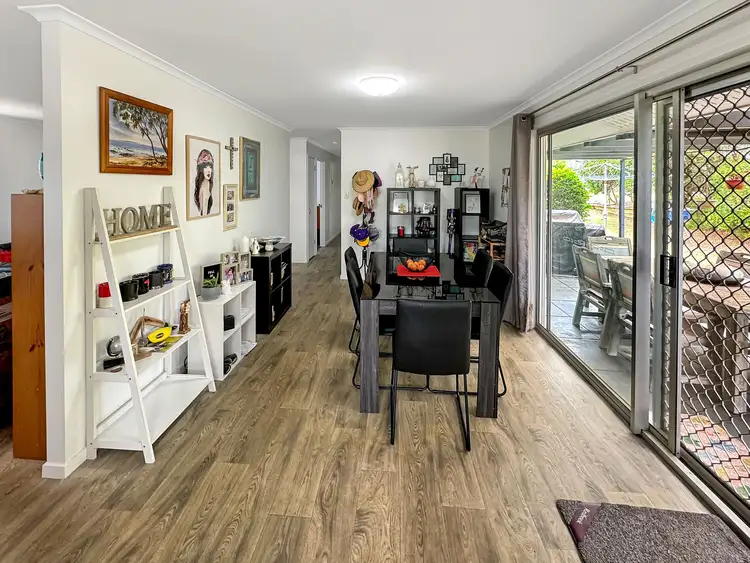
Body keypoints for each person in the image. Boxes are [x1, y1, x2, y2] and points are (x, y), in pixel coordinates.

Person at [193, 149, 214, 215]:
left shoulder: (207, 183)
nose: (209, 170)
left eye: (210, 167)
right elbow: (203, 213)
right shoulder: (203, 185)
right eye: (205, 167)